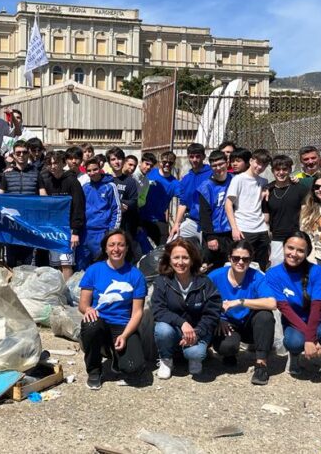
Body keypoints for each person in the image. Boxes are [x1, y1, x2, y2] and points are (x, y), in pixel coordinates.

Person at [264, 232, 321, 381]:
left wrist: (310, 338)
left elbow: (317, 308)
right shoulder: (272, 275)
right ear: (283, 247)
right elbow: (285, 310)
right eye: (290, 248)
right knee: (293, 342)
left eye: (300, 250)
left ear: (307, 253)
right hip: (295, 321)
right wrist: (310, 338)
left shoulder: (318, 271)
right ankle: (294, 358)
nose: (294, 254)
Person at [78, 229, 147, 390]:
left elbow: (137, 312)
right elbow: (82, 304)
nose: (116, 249)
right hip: (100, 322)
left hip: (123, 325)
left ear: (127, 248)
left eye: (121, 245)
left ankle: (115, 356)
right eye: (112, 245)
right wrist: (88, 309)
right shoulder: (94, 270)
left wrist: (125, 335)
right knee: (91, 326)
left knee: (133, 368)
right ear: (106, 249)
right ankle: (94, 370)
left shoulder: (136, 275)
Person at [207, 241, 277, 385]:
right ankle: (230, 354)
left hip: (250, 323)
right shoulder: (215, 276)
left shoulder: (257, 277)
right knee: (227, 347)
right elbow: (204, 302)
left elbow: (272, 303)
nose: (240, 262)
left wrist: (240, 301)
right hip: (227, 323)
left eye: (245, 259)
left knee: (265, 316)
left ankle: (261, 364)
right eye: (236, 258)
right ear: (229, 258)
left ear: (251, 260)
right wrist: (218, 319)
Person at [152, 238, 222, 378]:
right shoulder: (162, 281)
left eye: (185, 257)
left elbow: (212, 312)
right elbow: (158, 310)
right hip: (174, 329)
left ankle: (193, 356)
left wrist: (197, 332)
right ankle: (166, 359)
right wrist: (182, 323)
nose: (180, 262)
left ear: (192, 260)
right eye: (176, 257)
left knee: (195, 354)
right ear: (169, 259)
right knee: (162, 329)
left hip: (198, 330)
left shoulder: (204, 282)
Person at [0, 139, 45, 266]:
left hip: (30, 223)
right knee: (11, 260)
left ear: (28, 154)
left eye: (24, 152)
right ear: (13, 155)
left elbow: (44, 197)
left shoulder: (36, 173)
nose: (21, 155)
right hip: (11, 224)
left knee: (28, 261)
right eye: (18, 153)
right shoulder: (6, 175)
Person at [41, 150, 86, 280]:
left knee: (67, 263)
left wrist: (75, 231)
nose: (53, 166)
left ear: (63, 163)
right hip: (53, 228)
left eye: (56, 163)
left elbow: (79, 206)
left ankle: (68, 294)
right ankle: (59, 293)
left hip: (68, 228)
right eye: (49, 164)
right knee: (56, 264)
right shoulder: (47, 181)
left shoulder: (72, 181)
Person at [225, 148, 271, 270]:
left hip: (261, 229)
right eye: (258, 162)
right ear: (251, 161)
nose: (260, 167)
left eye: (264, 165)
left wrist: (266, 189)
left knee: (261, 266)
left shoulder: (263, 181)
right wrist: (234, 228)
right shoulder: (238, 179)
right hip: (244, 229)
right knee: (241, 264)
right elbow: (228, 204)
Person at [263, 154, 308, 267]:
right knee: (276, 270)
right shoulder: (268, 190)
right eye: (278, 169)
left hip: (296, 236)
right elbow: (266, 218)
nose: (281, 173)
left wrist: (303, 233)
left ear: (290, 170)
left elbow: (305, 213)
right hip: (276, 238)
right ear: (273, 171)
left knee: (296, 269)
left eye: (285, 169)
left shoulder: (300, 188)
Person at [78, 159, 121, 271]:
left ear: (100, 169)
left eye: (95, 169)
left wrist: (111, 232)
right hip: (85, 233)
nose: (92, 173)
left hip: (101, 233)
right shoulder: (85, 187)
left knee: (102, 266)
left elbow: (117, 210)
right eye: (89, 170)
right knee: (81, 267)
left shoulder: (110, 186)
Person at [197, 150, 233, 270]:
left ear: (227, 163)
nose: (218, 168)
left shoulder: (235, 180)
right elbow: (204, 215)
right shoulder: (206, 187)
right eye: (214, 165)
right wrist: (210, 237)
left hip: (232, 233)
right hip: (214, 235)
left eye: (220, 164)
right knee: (210, 269)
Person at [170, 143, 212, 246]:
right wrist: (176, 224)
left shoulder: (212, 174)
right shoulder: (186, 179)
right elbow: (183, 203)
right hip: (193, 221)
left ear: (203, 157)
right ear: (188, 157)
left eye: (198, 156)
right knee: (172, 242)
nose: (194, 160)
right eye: (192, 156)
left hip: (210, 223)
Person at [139, 150, 178, 248]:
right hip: (140, 217)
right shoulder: (150, 172)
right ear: (160, 162)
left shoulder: (175, 183)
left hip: (158, 220)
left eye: (170, 163)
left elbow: (184, 201)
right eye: (165, 162)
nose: (167, 164)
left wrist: (177, 222)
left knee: (163, 249)